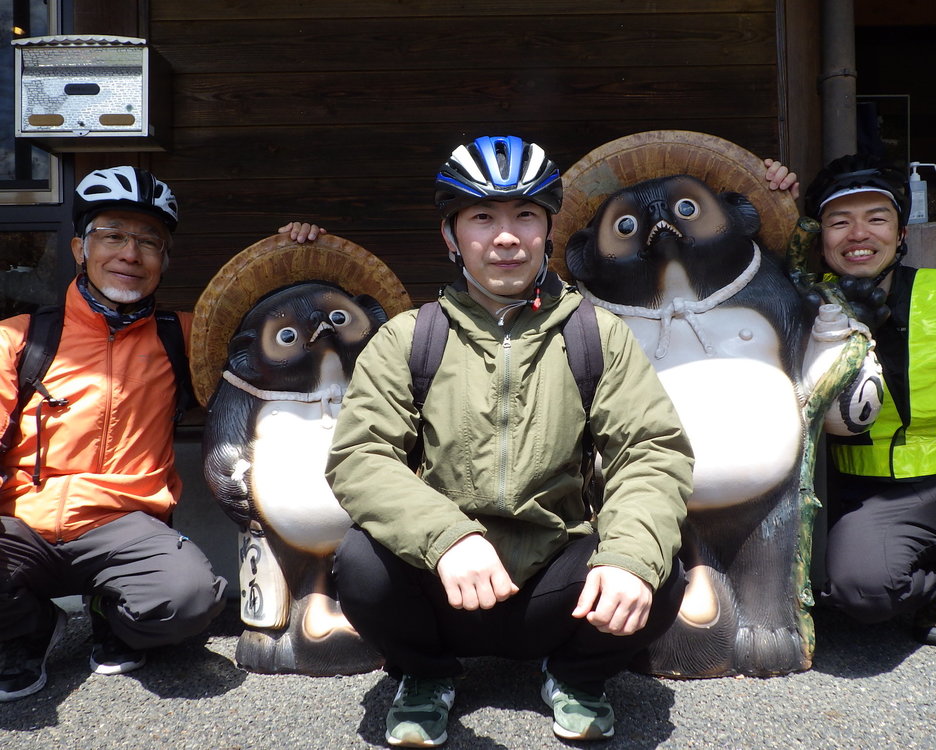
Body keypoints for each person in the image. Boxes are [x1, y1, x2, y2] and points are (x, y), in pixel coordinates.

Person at [328, 135, 694, 746]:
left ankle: (577, 676)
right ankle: (425, 675)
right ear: (451, 235)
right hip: (443, 582)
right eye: (481, 217)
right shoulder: (408, 339)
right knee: (360, 563)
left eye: (525, 215)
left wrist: (628, 557)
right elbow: (360, 458)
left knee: (658, 567)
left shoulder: (596, 335)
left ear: (548, 229)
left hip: (555, 585)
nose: (505, 236)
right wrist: (447, 537)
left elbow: (650, 452)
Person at [0, 165, 322, 702]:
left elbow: (275, 335)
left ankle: (111, 612)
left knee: (191, 601)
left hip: (127, 525)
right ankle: (27, 628)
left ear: (164, 261)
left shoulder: (187, 336)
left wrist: (294, 257)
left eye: (149, 241)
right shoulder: (20, 338)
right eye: (114, 236)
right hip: (20, 525)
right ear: (80, 248)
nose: (131, 253)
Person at [802, 153, 936, 659]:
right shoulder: (804, 308)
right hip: (880, 503)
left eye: (876, 218)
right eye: (839, 221)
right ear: (819, 236)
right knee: (860, 593)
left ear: (900, 233)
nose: (857, 233)